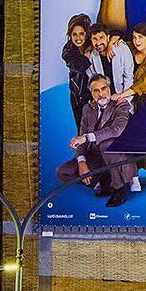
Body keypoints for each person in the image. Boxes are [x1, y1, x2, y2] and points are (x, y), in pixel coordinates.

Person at [55, 74, 137, 207]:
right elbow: (81, 135)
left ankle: (119, 189)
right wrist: (82, 162)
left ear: (109, 89)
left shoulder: (121, 105)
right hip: (95, 155)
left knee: (106, 144)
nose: (101, 94)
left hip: (115, 153)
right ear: (91, 93)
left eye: (104, 89)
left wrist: (87, 137)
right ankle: (103, 180)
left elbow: (116, 130)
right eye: (96, 91)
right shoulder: (88, 109)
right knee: (62, 172)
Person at [62, 14, 94, 130]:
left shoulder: (92, 43)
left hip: (95, 92)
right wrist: (86, 56)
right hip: (78, 96)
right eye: (74, 34)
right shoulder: (67, 51)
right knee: (82, 129)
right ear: (70, 35)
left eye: (81, 34)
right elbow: (79, 66)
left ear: (86, 34)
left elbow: (110, 35)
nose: (78, 38)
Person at [86, 23, 133, 95]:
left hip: (124, 95)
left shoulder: (122, 48)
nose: (98, 43)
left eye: (101, 37)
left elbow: (129, 77)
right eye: (95, 39)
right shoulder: (91, 56)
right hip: (104, 97)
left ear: (108, 37)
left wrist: (124, 97)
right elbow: (93, 81)